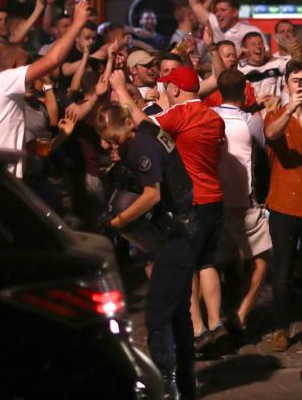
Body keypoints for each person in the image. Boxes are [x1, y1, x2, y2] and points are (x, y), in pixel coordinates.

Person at [113, 66, 226, 346]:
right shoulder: (214, 117)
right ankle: (217, 322)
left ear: (175, 89)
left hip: (191, 201)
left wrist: (118, 89)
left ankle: (197, 330)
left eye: (167, 87)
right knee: (208, 263)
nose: (164, 91)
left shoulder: (180, 114)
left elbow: (145, 125)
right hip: (215, 197)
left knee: (185, 267)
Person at [95, 102, 197, 399]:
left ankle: (167, 385)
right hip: (185, 227)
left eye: (114, 138)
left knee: (156, 315)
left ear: (126, 123)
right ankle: (186, 385)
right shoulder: (149, 131)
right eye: (107, 139)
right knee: (177, 313)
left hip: (176, 235)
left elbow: (153, 195)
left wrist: (119, 221)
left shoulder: (140, 146)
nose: (111, 144)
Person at [0, 0, 90, 178]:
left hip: (6, 187)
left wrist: (62, 135)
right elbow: (52, 60)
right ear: (14, 67)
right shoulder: (2, 83)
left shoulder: (1, 96)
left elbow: (32, 149)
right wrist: (77, 23)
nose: (32, 72)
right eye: (26, 65)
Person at [263, 60, 302, 352]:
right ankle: (280, 327)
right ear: (286, 84)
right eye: (296, 80)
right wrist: (290, 109)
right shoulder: (275, 115)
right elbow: (271, 135)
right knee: (282, 271)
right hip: (285, 204)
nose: (301, 86)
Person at [212, 68, 272, 330]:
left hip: (217, 200)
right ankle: (242, 313)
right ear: (244, 92)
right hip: (246, 202)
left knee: (222, 260)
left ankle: (220, 314)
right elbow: (261, 150)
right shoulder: (251, 123)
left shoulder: (209, 116)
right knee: (262, 260)